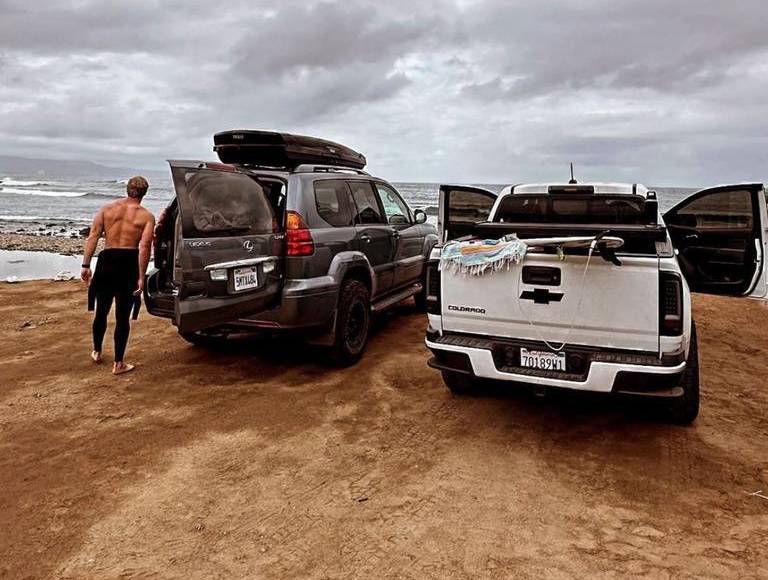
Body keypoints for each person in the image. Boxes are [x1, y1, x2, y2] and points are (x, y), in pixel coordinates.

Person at [81, 176, 155, 375]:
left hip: (107, 261)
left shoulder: (107, 209)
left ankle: (96, 351)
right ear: (144, 193)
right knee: (122, 317)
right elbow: (144, 247)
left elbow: (93, 235)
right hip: (128, 263)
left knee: (101, 311)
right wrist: (141, 275)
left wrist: (86, 264)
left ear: (127, 189)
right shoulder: (146, 217)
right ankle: (118, 363)